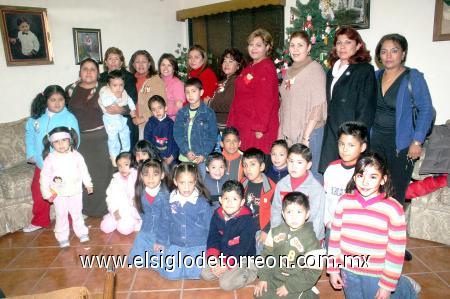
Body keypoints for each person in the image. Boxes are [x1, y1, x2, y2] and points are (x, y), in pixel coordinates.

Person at [327, 153, 420, 299]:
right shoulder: (344, 202)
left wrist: (387, 285)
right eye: (360, 175)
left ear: (383, 180)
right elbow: (334, 238)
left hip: (376, 273)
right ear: (354, 177)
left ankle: (404, 287)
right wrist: (333, 269)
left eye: (372, 177)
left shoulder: (393, 209)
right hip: (348, 270)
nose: (365, 182)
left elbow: (396, 251)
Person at [371, 33, 434, 206]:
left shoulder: (412, 77)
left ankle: (393, 230)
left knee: (395, 194)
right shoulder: (374, 76)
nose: (389, 56)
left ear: (403, 54)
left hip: (401, 146)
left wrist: (417, 141)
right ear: (379, 55)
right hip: (375, 144)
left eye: (394, 51)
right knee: (373, 191)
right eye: (384, 52)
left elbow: (426, 109)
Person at [319, 26, 377, 174]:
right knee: (331, 178)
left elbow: (366, 109)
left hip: (351, 137)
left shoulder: (364, 70)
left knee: (352, 180)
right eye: (339, 42)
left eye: (348, 42)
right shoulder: (331, 71)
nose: (342, 47)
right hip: (333, 133)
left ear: (358, 46)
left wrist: (355, 139)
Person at [24, 85, 80, 233]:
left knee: (65, 193)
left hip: (61, 165)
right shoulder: (35, 119)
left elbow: (76, 138)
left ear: (65, 100)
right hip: (42, 165)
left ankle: (71, 220)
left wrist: (68, 154)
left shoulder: (69, 117)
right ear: (45, 101)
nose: (57, 103)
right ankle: (39, 221)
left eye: (61, 99)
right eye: (53, 100)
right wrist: (31, 154)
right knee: (38, 191)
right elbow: (29, 137)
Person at [66, 58, 114, 217]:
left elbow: (124, 106)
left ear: (98, 73)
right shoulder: (70, 90)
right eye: (85, 69)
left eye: (92, 69)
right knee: (83, 175)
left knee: (103, 176)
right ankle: (85, 210)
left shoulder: (106, 89)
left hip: (102, 138)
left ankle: (106, 209)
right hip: (80, 140)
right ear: (80, 72)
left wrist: (119, 110)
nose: (88, 72)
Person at [255, 192, 323, 299]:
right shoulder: (275, 232)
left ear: (307, 214)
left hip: (297, 281)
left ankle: (310, 294)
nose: (294, 217)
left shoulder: (311, 241)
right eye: (289, 212)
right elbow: (266, 256)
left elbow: (313, 272)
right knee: (259, 294)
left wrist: (289, 287)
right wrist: (264, 277)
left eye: (299, 212)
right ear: (283, 213)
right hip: (276, 277)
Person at [279, 31, 327, 182]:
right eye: (292, 45)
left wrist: (306, 137)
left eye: (300, 45)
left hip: (310, 133)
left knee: (311, 176)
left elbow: (318, 106)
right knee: (294, 176)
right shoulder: (289, 72)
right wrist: (281, 134)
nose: (295, 49)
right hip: (290, 133)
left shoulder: (315, 69)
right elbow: (284, 105)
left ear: (308, 48)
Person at [154, 163, 213, 280]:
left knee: (194, 273)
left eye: (190, 182)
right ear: (175, 182)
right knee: (171, 274)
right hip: (176, 244)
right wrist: (160, 241)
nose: (186, 187)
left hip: (198, 245)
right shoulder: (170, 201)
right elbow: (164, 222)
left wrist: (212, 247)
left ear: (195, 181)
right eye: (182, 183)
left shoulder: (202, 203)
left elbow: (210, 226)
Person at [227, 28, 280, 154]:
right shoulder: (251, 67)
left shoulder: (266, 67)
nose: (253, 48)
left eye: (258, 45)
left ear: (267, 47)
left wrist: (260, 128)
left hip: (256, 130)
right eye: (251, 45)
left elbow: (265, 101)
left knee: (255, 166)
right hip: (244, 125)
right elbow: (239, 96)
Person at [40, 127, 93, 248]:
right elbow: (44, 177)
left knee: (77, 213)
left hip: (75, 191)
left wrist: (88, 184)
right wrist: (46, 193)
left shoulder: (77, 156)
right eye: (56, 142)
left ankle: (82, 232)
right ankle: (62, 236)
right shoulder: (50, 158)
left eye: (64, 140)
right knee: (61, 215)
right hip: (59, 194)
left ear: (70, 140)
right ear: (52, 144)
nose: (61, 144)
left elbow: (84, 171)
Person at [201, 180, 258, 290]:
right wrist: (213, 258)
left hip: (243, 257)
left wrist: (226, 265)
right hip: (224, 254)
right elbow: (213, 237)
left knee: (226, 284)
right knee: (205, 273)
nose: (230, 203)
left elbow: (242, 249)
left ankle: (250, 271)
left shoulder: (248, 221)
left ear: (242, 202)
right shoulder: (217, 215)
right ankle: (228, 271)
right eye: (226, 198)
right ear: (220, 200)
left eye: (234, 199)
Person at [323, 121, 367, 246]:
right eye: (341, 144)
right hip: (332, 226)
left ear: (362, 147)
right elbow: (325, 198)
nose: (345, 149)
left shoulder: (365, 173)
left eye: (351, 145)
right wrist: (326, 221)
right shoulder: (331, 169)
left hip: (355, 231)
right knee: (331, 261)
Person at [271, 144, 325, 241]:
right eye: (291, 161)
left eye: (299, 162)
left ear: (308, 165)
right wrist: (276, 234)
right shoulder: (281, 184)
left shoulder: (316, 188)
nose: (293, 166)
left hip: (308, 239)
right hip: (284, 236)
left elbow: (316, 219)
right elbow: (276, 211)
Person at [173, 78, 217, 178]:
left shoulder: (209, 113)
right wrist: (186, 151)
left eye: (193, 91)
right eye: (187, 92)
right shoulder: (181, 113)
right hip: (185, 157)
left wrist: (204, 154)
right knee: (185, 183)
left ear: (201, 92)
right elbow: (177, 134)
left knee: (200, 185)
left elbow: (212, 137)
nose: (190, 95)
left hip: (201, 158)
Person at [128, 158, 169, 268]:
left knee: (161, 262)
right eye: (146, 174)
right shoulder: (140, 194)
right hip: (146, 232)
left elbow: (167, 221)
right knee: (136, 260)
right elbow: (142, 214)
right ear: (141, 176)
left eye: (155, 174)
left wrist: (160, 241)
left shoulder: (165, 196)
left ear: (162, 175)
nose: (150, 178)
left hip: (163, 233)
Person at [100, 47, 138, 147]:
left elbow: (132, 100)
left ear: (121, 62)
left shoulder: (129, 77)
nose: (113, 62)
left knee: (126, 152)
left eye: (116, 59)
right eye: (110, 59)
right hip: (107, 120)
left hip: (125, 119)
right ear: (106, 62)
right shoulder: (100, 78)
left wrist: (120, 110)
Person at [241, 148, 276, 254]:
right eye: (245, 165)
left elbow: (277, 212)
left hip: (261, 231)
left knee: (258, 260)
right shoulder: (242, 183)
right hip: (244, 227)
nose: (248, 169)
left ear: (262, 167)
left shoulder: (271, 187)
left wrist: (266, 231)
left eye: (252, 164)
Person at [99, 70, 136, 166]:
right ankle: (114, 155)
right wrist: (115, 96)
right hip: (109, 118)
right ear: (108, 85)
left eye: (121, 85)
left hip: (119, 117)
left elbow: (129, 99)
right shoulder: (105, 91)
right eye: (115, 85)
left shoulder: (123, 92)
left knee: (126, 132)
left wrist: (133, 109)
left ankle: (125, 152)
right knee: (113, 138)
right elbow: (106, 103)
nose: (118, 88)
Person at [100, 152, 141, 235]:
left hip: (132, 213)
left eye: (126, 164)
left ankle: (136, 222)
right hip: (118, 211)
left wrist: (136, 200)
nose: (122, 168)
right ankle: (117, 220)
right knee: (105, 227)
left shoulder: (137, 178)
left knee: (123, 229)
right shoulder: (115, 180)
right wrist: (114, 210)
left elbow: (142, 197)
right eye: (119, 166)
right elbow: (109, 197)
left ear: (132, 164)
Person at [129, 50, 167, 138]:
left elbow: (162, 103)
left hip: (149, 124)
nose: (141, 64)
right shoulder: (130, 80)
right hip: (133, 124)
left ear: (149, 63)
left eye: (144, 61)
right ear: (133, 65)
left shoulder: (156, 80)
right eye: (137, 62)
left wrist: (142, 118)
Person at [208, 48, 246, 130]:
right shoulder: (222, 81)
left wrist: (209, 103)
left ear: (238, 66)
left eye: (231, 61)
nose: (226, 64)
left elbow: (229, 105)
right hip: (217, 125)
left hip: (227, 127)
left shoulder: (236, 81)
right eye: (224, 61)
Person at [143, 95, 178, 170]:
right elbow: (148, 143)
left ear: (165, 108)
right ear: (151, 112)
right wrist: (158, 157)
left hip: (171, 158)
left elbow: (176, 143)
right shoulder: (149, 125)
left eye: (160, 108)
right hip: (156, 158)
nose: (157, 111)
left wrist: (172, 157)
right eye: (154, 109)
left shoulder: (172, 124)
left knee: (174, 174)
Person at [158, 53, 185, 120]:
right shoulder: (157, 81)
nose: (165, 68)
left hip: (171, 122)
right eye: (163, 65)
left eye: (169, 65)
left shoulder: (177, 84)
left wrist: (163, 111)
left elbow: (179, 107)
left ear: (174, 68)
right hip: (158, 120)